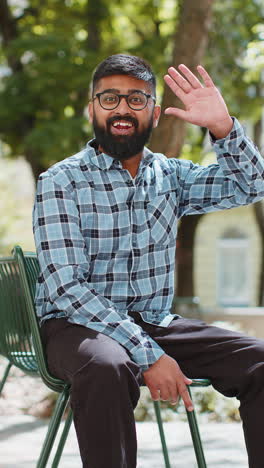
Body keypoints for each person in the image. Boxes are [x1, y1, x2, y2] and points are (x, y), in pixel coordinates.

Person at [33, 54, 264, 468]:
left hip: (155, 322)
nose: (122, 108)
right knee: (108, 364)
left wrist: (222, 127)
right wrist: (150, 355)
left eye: (137, 99)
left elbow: (251, 186)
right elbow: (66, 289)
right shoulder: (60, 181)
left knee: (260, 362)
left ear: (155, 114)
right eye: (110, 98)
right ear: (92, 109)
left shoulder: (172, 177)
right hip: (75, 328)